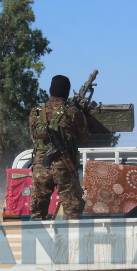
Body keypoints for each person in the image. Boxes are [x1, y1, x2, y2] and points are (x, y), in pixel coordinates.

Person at [29, 75, 89, 220]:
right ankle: (72, 241)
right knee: (73, 211)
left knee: (37, 211)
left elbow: (34, 138)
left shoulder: (35, 112)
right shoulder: (73, 112)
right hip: (64, 166)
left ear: (50, 90)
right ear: (67, 92)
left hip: (41, 167)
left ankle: (37, 238)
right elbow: (83, 137)